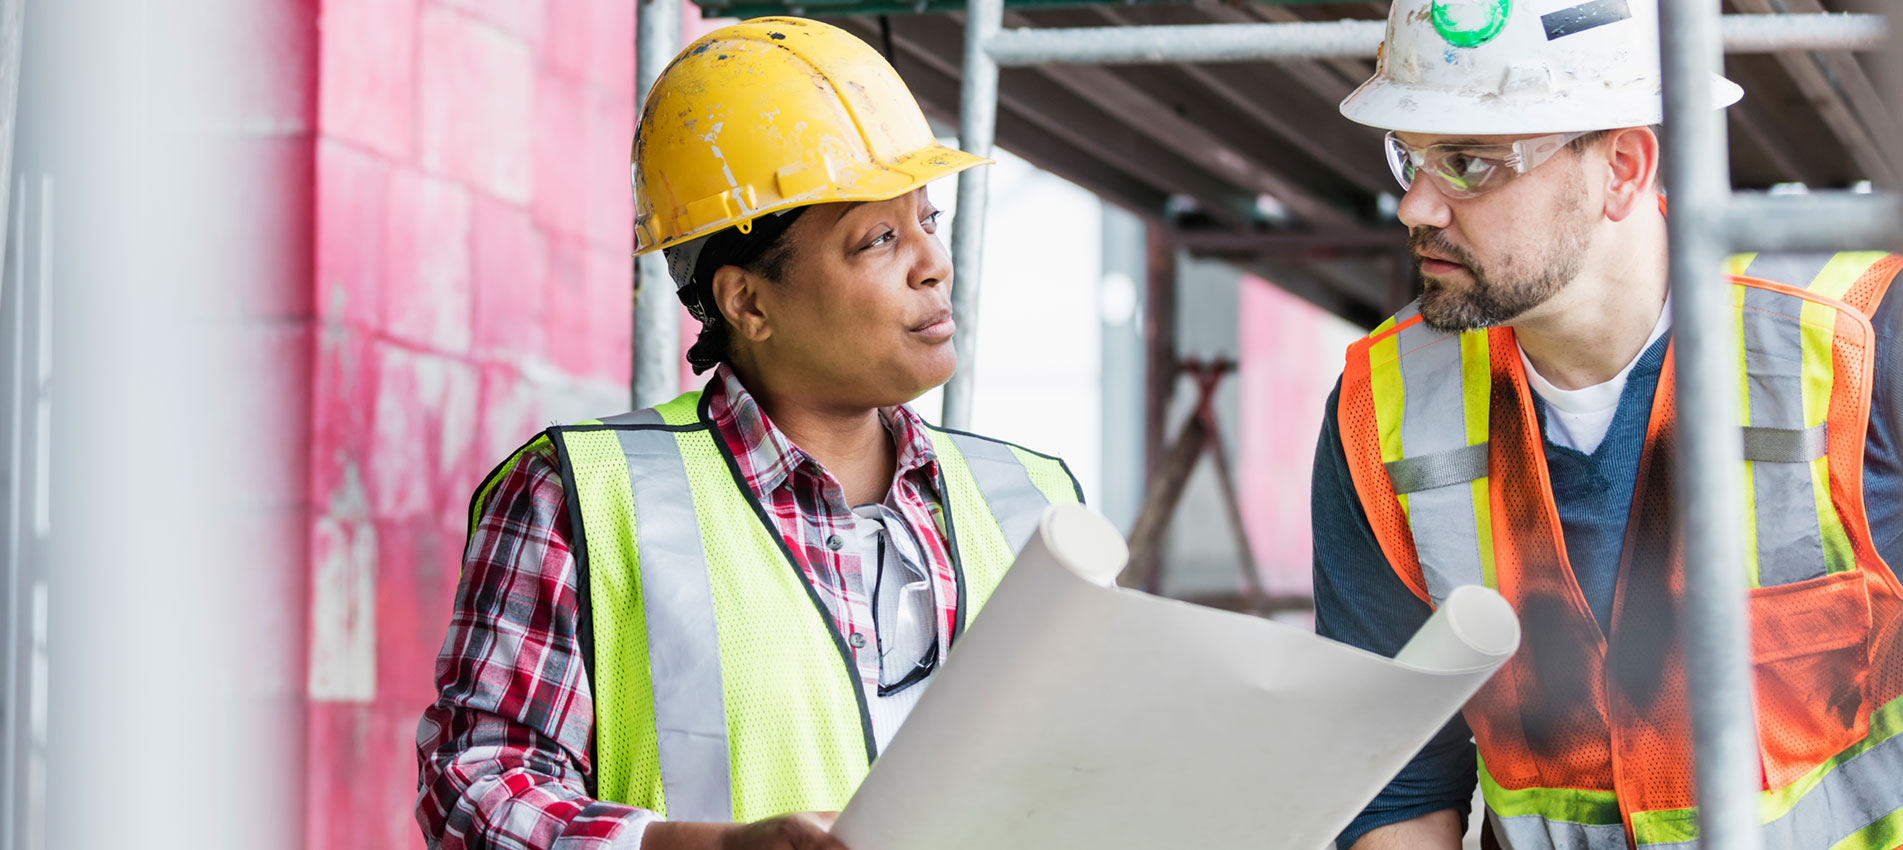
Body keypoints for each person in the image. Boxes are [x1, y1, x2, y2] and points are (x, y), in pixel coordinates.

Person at [415, 17, 1084, 850]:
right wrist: (709, 849)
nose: (930, 263)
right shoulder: (581, 494)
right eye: (876, 238)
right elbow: (474, 785)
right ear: (748, 302)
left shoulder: (1035, 505)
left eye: (926, 220)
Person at [1311, 0, 1903, 847]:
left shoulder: (1861, 343)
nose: (1416, 208)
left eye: (1469, 163)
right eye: (1411, 157)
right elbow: (1392, 781)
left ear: (1622, 168)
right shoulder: (1383, 409)